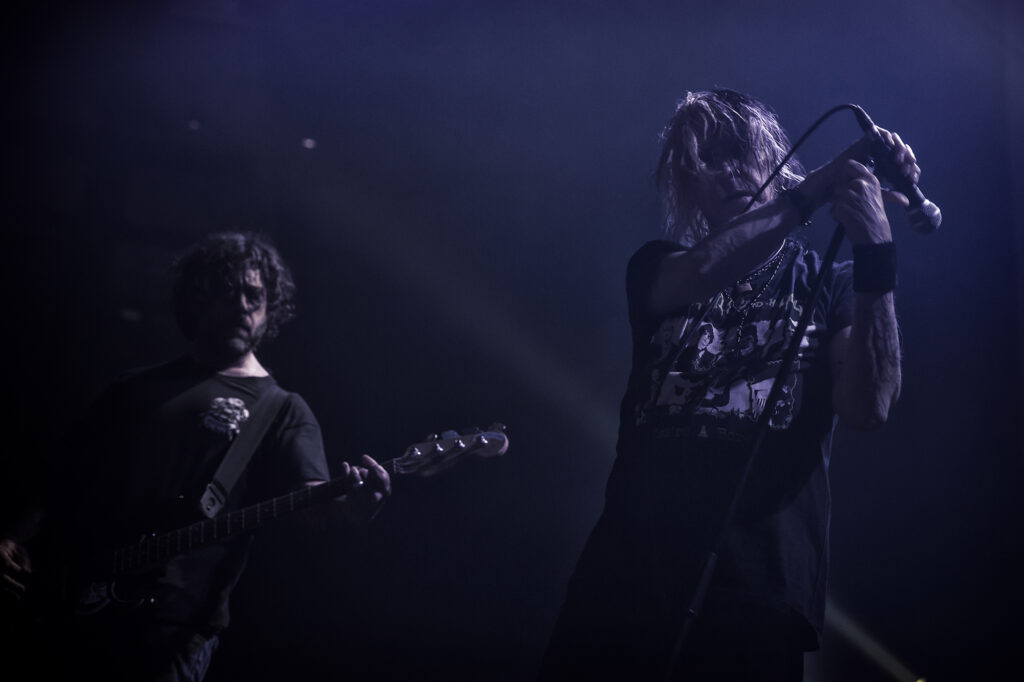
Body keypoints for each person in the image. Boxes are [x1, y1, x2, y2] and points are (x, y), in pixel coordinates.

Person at [539, 89, 915, 681]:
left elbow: (868, 407)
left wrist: (876, 250)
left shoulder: (832, 286)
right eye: (705, 162)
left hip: (757, 590)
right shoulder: (658, 266)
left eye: (740, 152)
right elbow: (704, 270)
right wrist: (815, 189)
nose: (728, 170)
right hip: (625, 579)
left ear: (772, 158)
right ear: (685, 190)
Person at [0, 232, 391, 680]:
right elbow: (63, 476)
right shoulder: (133, 388)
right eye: (229, 289)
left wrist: (353, 507)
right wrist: (15, 538)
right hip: (72, 603)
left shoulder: (283, 409)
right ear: (198, 295)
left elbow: (313, 503)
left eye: (255, 294)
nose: (243, 303)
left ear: (270, 307)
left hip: (172, 633)